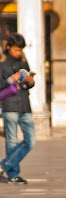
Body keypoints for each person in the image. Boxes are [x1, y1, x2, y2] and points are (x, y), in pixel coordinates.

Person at [0, 32, 36, 184]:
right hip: (9, 105)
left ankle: (4, 166)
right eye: (15, 49)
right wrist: (10, 79)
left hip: (24, 105)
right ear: (8, 47)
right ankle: (13, 174)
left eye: (20, 50)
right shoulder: (2, 62)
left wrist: (30, 81)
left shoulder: (23, 61)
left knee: (30, 140)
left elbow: (29, 85)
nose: (18, 52)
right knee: (12, 141)